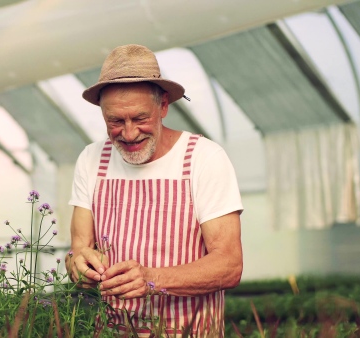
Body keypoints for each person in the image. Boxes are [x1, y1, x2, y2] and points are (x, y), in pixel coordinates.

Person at [65, 44, 243, 336]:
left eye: (140, 118)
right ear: (102, 114)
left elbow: (229, 265)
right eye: (116, 121)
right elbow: (78, 249)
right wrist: (78, 265)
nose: (130, 133)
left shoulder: (203, 158)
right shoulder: (91, 158)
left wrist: (151, 278)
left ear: (163, 106)